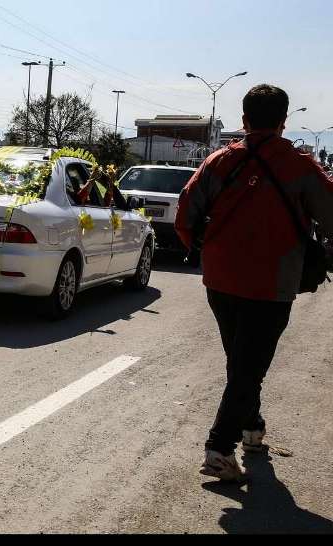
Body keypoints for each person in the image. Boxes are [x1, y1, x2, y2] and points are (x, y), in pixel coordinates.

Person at [175, 84, 333, 481]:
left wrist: (205, 250)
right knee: (249, 367)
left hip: (220, 279)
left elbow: (185, 213)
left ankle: (252, 428)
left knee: (242, 361)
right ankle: (219, 449)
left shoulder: (217, 162)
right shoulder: (299, 165)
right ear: (284, 121)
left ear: (244, 120)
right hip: (272, 283)